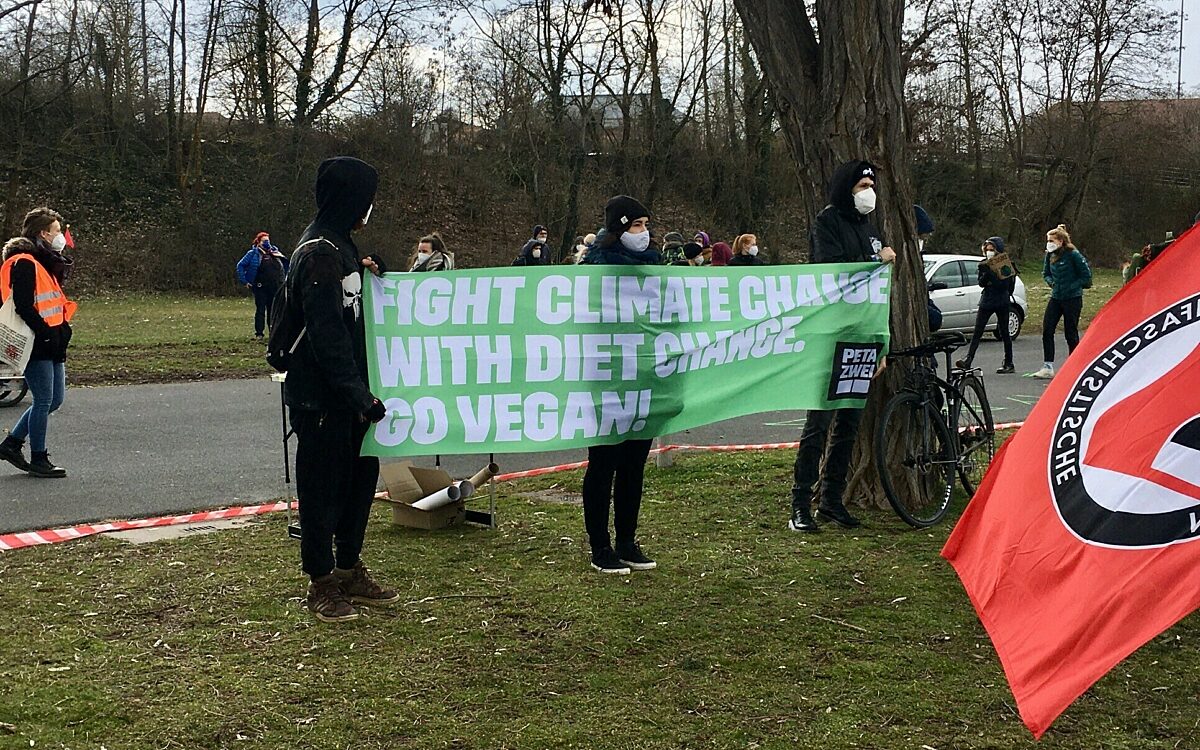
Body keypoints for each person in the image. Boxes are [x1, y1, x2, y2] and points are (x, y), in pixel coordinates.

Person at [283, 156, 397, 623]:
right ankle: (321, 581)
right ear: (351, 199)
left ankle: (349, 567)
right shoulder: (319, 254)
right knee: (322, 491)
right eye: (367, 199)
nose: (370, 208)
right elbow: (328, 334)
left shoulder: (344, 248)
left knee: (357, 486)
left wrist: (377, 273)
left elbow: (355, 313)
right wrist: (358, 395)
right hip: (323, 400)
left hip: (352, 400)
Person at [789, 160, 896, 533]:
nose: (868, 190)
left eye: (871, 183)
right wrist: (872, 260)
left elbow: (875, 296)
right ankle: (801, 502)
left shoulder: (869, 228)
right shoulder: (827, 222)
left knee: (848, 424)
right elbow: (830, 270)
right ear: (845, 187)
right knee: (818, 423)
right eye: (861, 184)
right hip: (829, 335)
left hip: (860, 338)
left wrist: (878, 346)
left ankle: (832, 500)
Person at [579, 195, 660, 574]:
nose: (644, 234)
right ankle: (601, 547)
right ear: (619, 229)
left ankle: (627, 540)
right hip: (606, 379)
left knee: (634, 463)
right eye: (637, 226)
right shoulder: (595, 268)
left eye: (646, 225)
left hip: (643, 376)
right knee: (604, 463)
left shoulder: (656, 267)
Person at [0, 208, 78, 478]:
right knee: (44, 399)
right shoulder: (24, 262)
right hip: (38, 340)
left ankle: (11, 444)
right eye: (57, 231)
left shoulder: (44, 261)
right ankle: (38, 458)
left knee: (54, 400)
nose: (61, 237)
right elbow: (23, 304)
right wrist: (44, 332)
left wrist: (58, 332)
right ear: (43, 233)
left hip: (52, 340)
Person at [1032, 224, 1091, 379]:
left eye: (1052, 240)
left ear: (1060, 241)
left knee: (1070, 332)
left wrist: (1072, 285)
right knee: (1047, 329)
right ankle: (1047, 366)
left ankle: (1075, 365)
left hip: (1072, 297)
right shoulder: (1049, 255)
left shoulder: (1073, 255)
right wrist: (1051, 282)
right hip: (1056, 296)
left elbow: (1086, 278)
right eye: (1048, 240)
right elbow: (1046, 273)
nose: (1049, 243)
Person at [956, 237, 1016, 374]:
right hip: (987, 300)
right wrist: (986, 272)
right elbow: (981, 283)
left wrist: (990, 273)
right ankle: (968, 359)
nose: (989, 252)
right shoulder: (984, 264)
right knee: (977, 331)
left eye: (992, 250)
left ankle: (1009, 362)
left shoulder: (1005, 264)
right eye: (987, 250)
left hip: (1001, 300)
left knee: (1004, 332)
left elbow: (1003, 285)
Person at [237, 232, 289, 338]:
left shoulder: (275, 252)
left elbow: (285, 265)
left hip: (275, 287)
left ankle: (272, 332)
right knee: (260, 310)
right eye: (264, 241)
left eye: (268, 240)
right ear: (258, 242)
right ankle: (259, 333)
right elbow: (240, 265)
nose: (267, 243)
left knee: (273, 310)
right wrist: (245, 281)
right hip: (260, 287)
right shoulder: (252, 254)